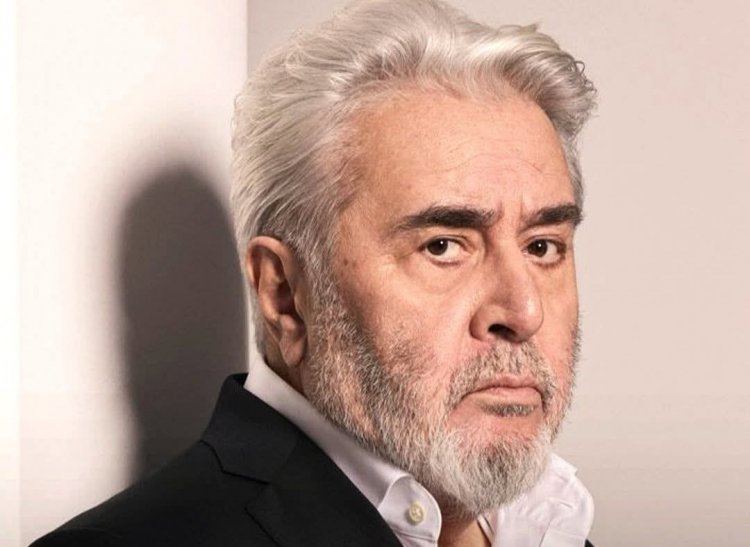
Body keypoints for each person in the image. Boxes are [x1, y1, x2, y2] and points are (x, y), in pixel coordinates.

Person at [31, 0, 597, 545]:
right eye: (443, 246)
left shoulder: (552, 527)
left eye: (542, 246)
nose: (524, 311)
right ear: (284, 295)